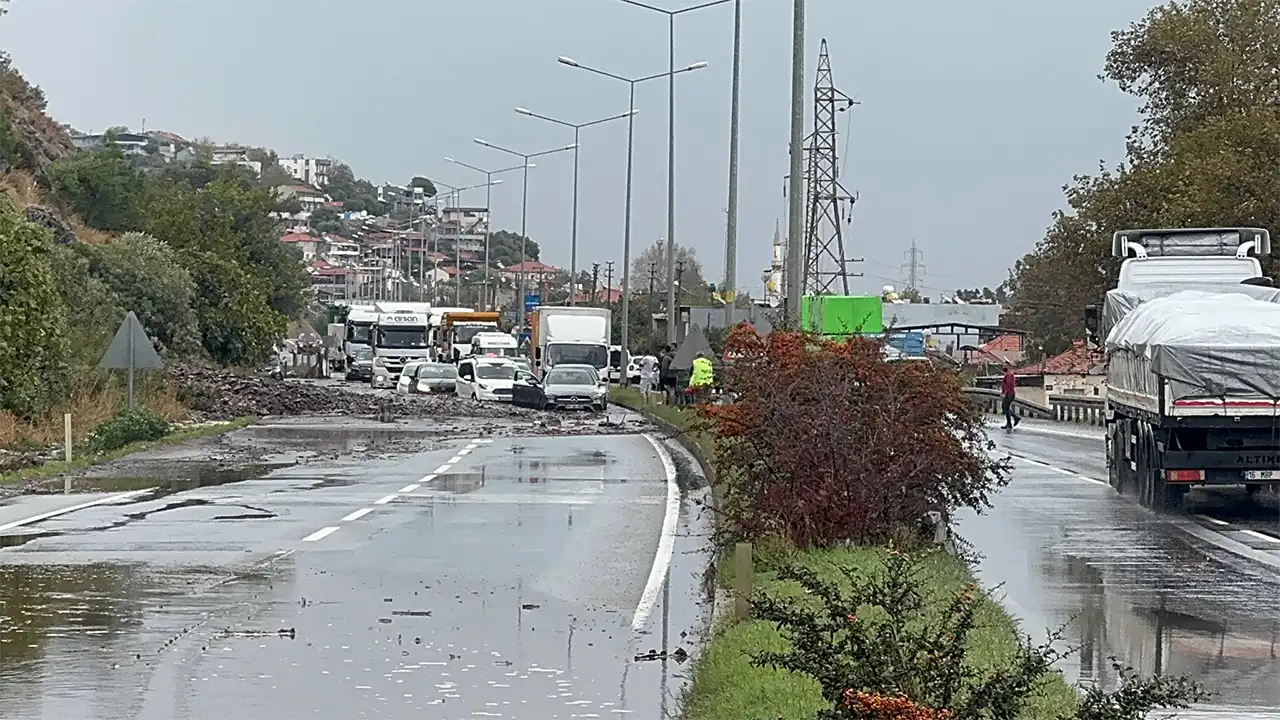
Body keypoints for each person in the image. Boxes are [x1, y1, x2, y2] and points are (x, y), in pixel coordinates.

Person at [1001, 363, 1020, 430]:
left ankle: (1011, 422)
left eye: (1005, 366)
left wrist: (1005, 393)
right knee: (1005, 407)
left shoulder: (1009, 375)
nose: (1003, 367)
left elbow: (1009, 385)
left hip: (1009, 394)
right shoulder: (1007, 374)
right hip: (1009, 393)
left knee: (1005, 407)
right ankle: (1013, 420)